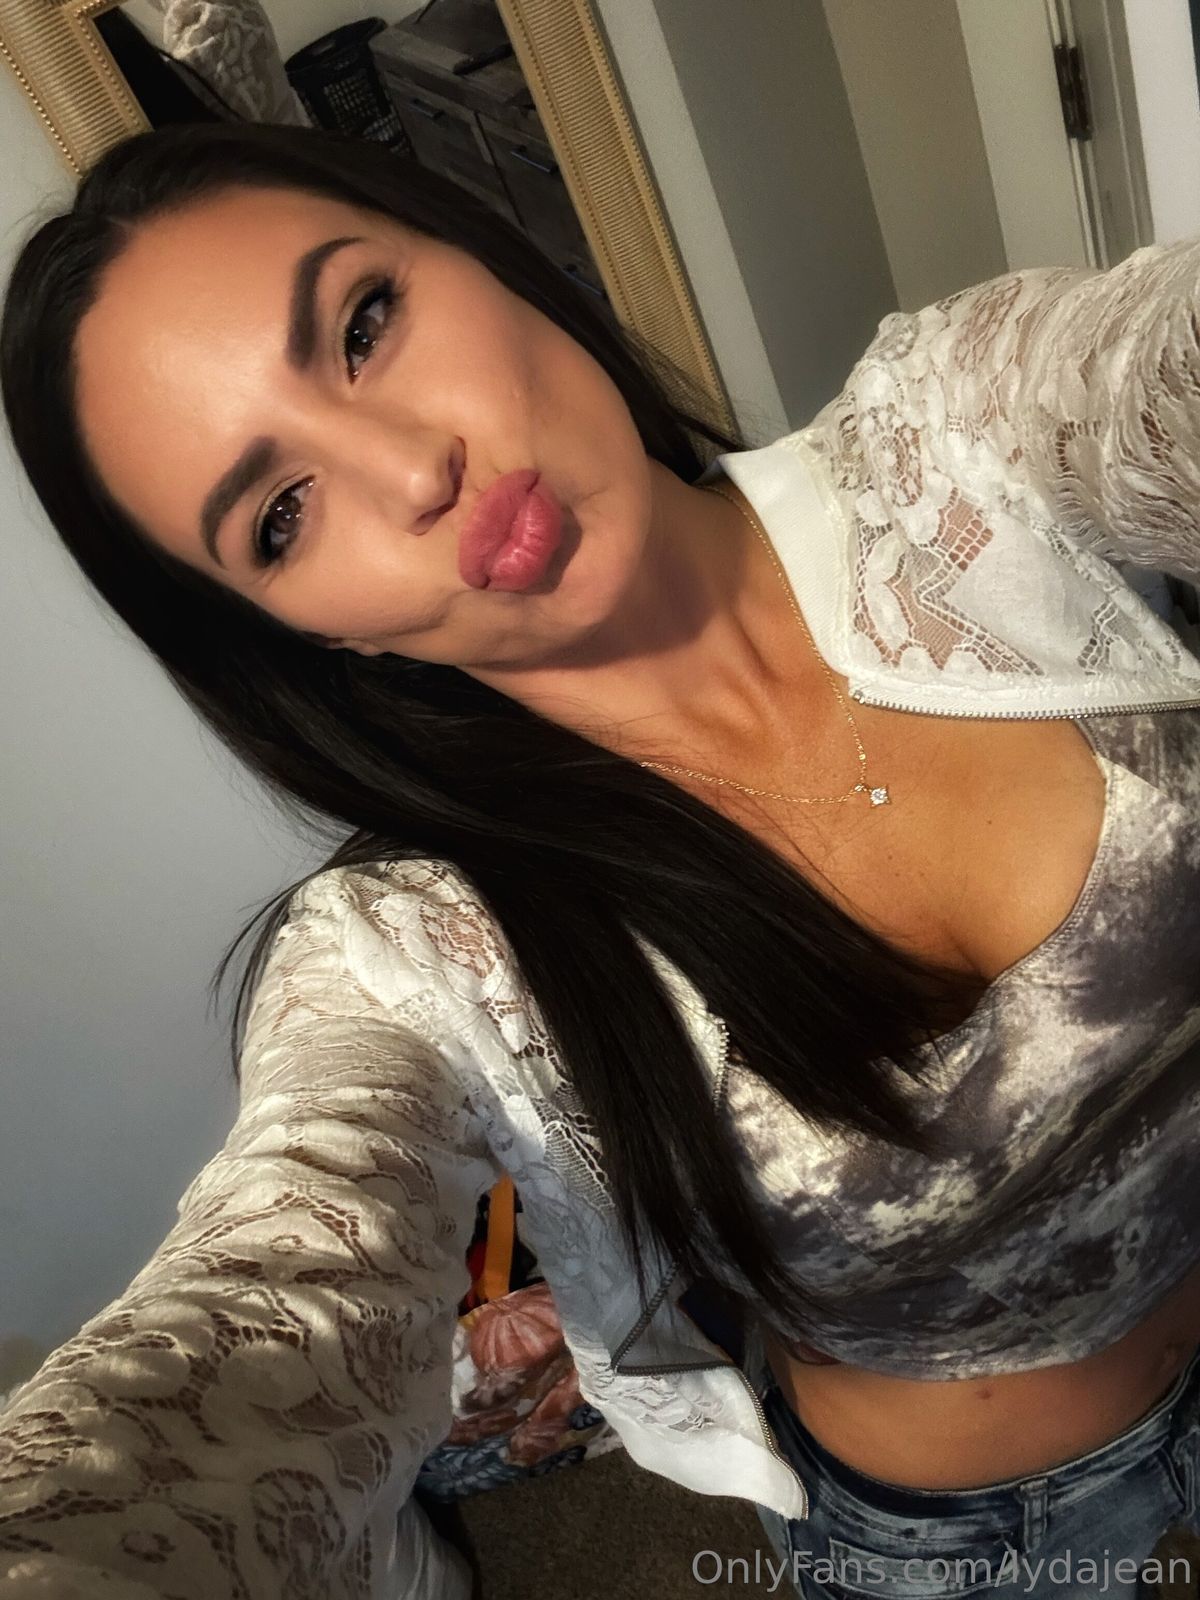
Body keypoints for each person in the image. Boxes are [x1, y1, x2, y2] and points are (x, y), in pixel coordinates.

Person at [0, 119, 1198, 1600]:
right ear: (305, 635)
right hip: (966, 1541)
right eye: (283, 514)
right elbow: (260, 1323)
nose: (411, 472)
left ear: (481, 254)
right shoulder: (420, 955)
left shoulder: (960, 441)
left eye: (364, 324)